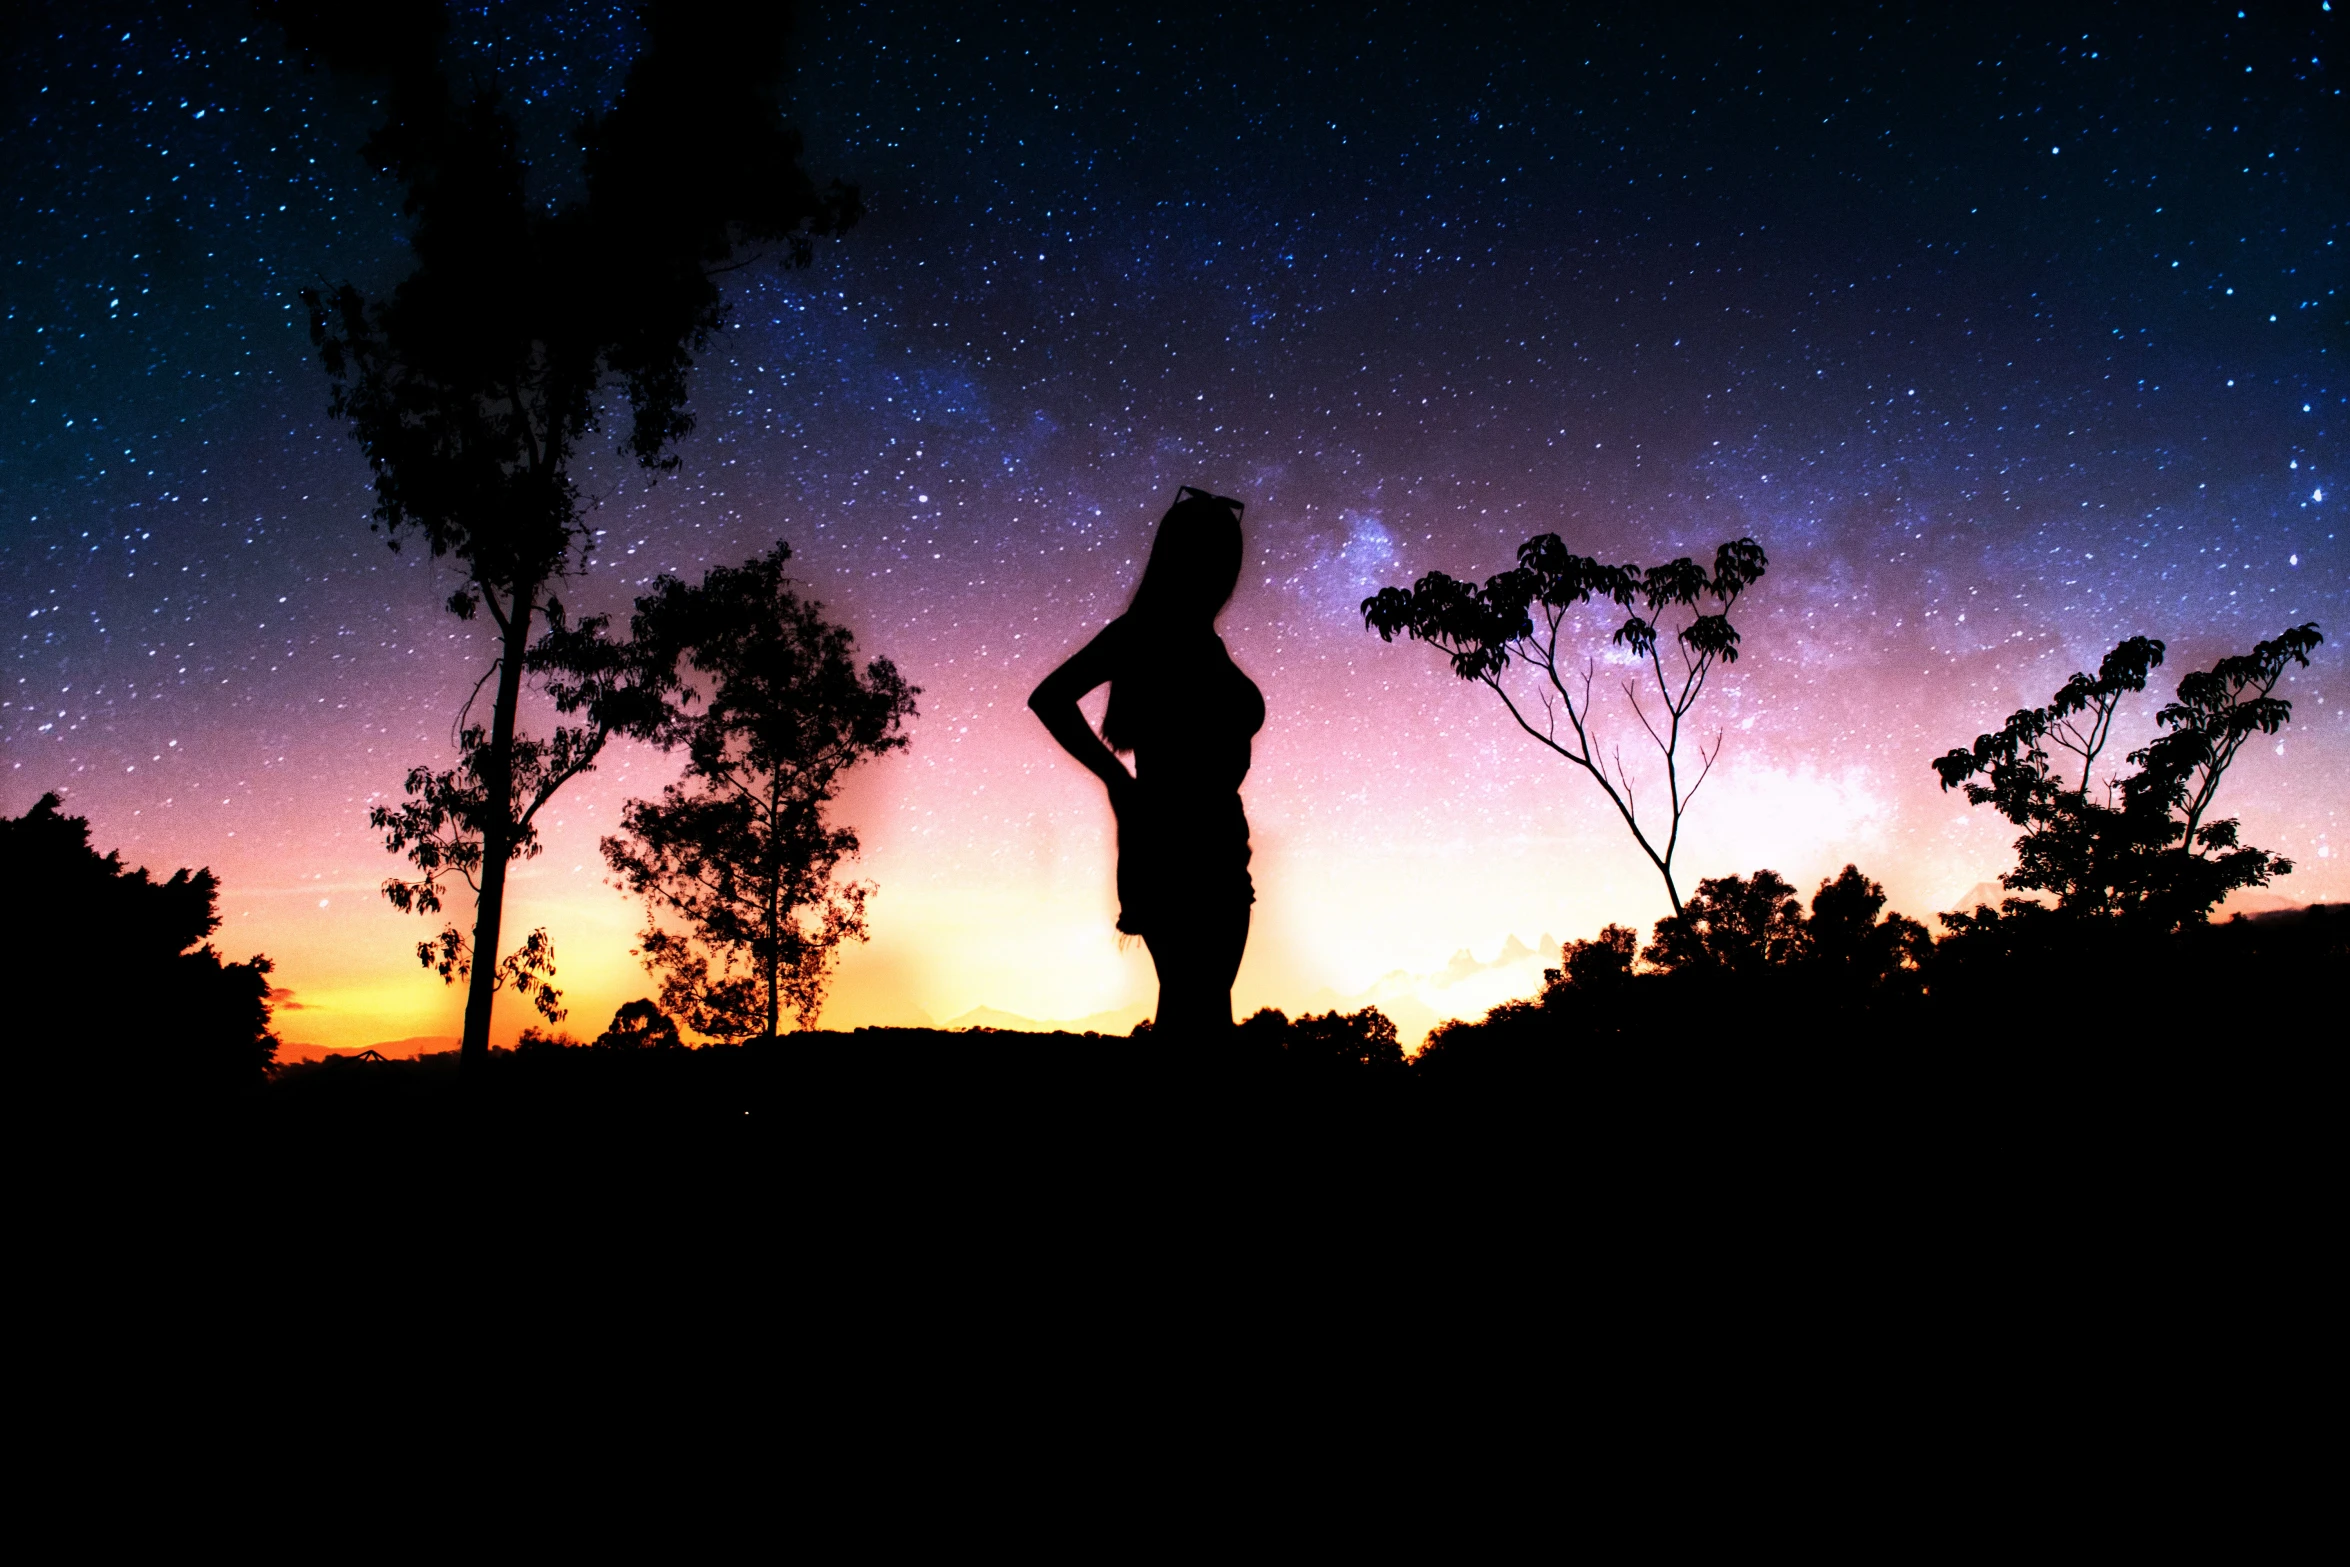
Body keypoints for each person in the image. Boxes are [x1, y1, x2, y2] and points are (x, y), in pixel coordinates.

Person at [1029, 487, 1264, 1037]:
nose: (1228, 568)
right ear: (1184, 558)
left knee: (1201, 1013)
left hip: (1223, 848)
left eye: (1230, 555)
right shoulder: (1143, 633)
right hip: (1175, 849)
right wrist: (1117, 780)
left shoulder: (1205, 643)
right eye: (1215, 554)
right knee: (1197, 1013)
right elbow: (1051, 697)